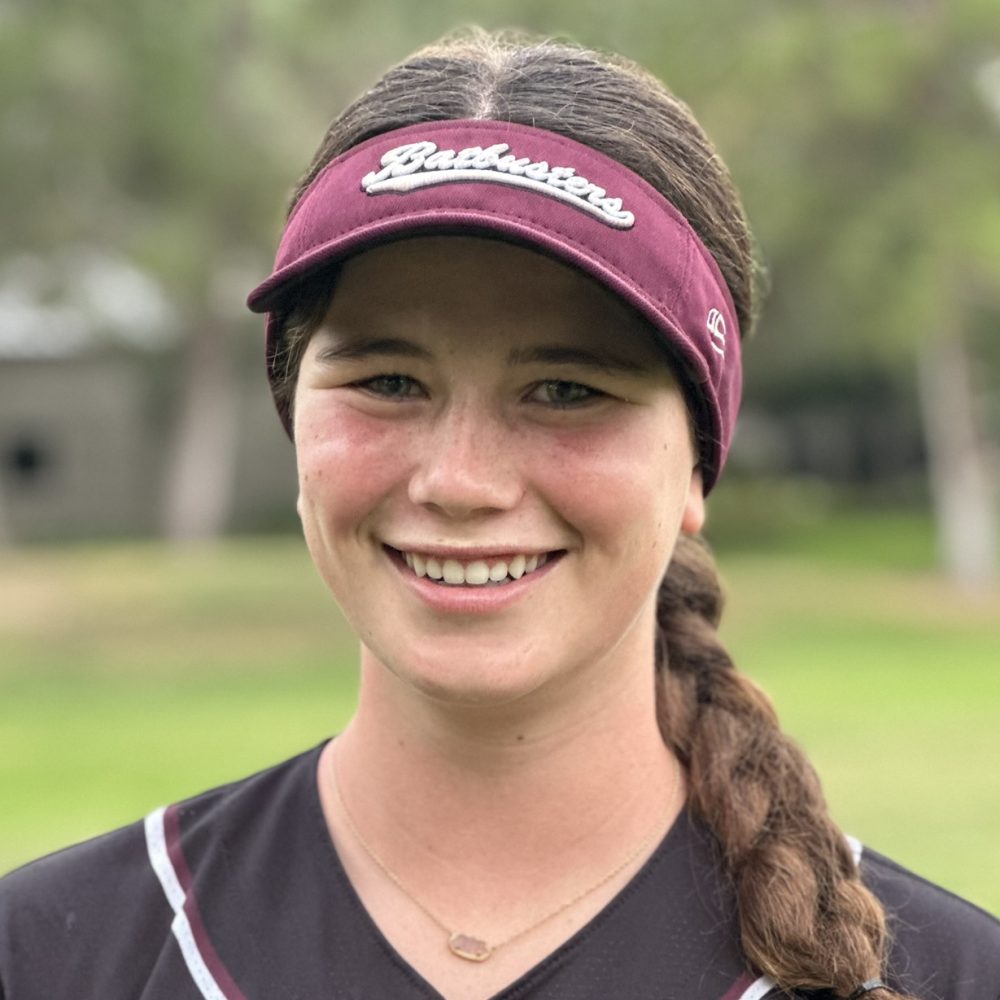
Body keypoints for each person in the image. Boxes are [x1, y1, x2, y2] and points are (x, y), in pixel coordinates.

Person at [1, 27, 998, 1000]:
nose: (460, 480)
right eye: (388, 381)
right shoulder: (49, 956)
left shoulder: (941, 978)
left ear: (697, 461)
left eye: (566, 390)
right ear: (295, 420)